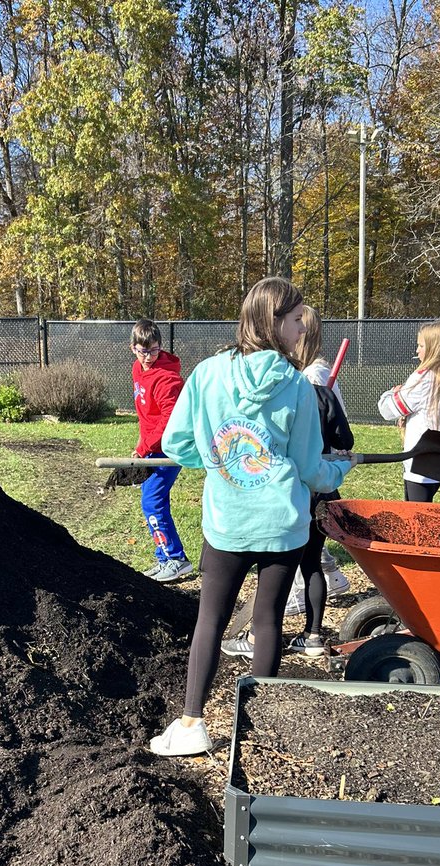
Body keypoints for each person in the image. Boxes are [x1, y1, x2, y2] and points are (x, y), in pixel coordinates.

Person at [148, 278, 355, 757]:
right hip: (283, 525)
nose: (304, 326)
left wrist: (215, 459)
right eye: (297, 318)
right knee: (267, 620)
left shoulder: (207, 374)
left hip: (227, 522)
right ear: (273, 322)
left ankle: (190, 724)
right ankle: (253, 728)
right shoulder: (298, 388)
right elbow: (310, 470)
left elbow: (178, 443)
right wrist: (339, 465)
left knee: (211, 619)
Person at [221, 305, 354, 661]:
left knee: (281, 570)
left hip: (297, 488)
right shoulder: (318, 383)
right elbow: (345, 439)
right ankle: (311, 635)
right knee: (310, 563)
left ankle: (265, 640)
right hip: (320, 486)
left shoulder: (303, 385)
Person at [129, 318, 192, 582]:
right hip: (152, 448)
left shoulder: (167, 379)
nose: (148, 357)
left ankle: (176, 558)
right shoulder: (137, 369)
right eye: (143, 351)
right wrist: (142, 446)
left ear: (160, 346)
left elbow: (169, 421)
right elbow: (148, 417)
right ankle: (165, 557)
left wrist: (144, 448)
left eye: (153, 350)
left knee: (152, 502)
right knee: (153, 500)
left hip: (169, 449)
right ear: (133, 348)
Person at [379, 319, 440, 502]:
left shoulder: (424, 378)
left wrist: (391, 393)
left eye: (421, 345)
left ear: (434, 348)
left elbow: (388, 410)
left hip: (419, 463)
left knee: (416, 521)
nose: (417, 350)